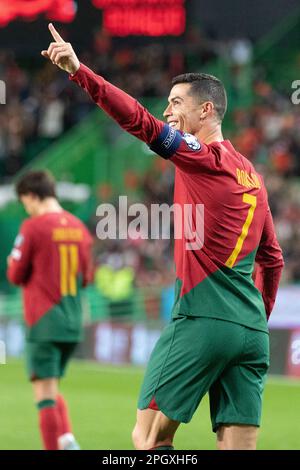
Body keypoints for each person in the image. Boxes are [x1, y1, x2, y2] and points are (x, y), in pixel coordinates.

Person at [41, 23, 284, 450]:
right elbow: (273, 259)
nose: (168, 111)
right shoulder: (254, 177)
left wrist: (80, 71)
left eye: (176, 103)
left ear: (206, 110)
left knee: (148, 440)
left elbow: (141, 123)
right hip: (251, 332)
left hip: (203, 317)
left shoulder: (204, 157)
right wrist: (252, 321)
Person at [7, 170, 93, 450]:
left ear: (32, 196)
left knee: (44, 395)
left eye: (25, 202)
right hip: (72, 322)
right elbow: (87, 277)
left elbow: (15, 275)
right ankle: (67, 440)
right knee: (52, 387)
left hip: (44, 320)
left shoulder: (33, 227)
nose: (26, 209)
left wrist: (12, 261)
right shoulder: (80, 228)